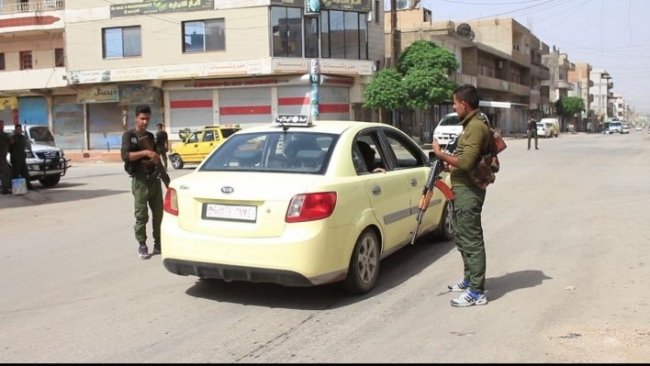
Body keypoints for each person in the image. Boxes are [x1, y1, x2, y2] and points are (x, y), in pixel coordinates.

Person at [431, 84, 491, 307]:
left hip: (469, 192)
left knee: (471, 239)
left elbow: (466, 162)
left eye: (455, 103)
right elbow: (467, 160)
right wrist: (450, 165)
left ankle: (477, 292)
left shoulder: (475, 127)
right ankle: (469, 279)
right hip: (461, 188)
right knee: (461, 235)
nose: (454, 107)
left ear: (464, 104)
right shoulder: (471, 125)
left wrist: (441, 154)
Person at [121, 105, 163, 260]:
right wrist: (145, 152)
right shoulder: (129, 135)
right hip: (140, 180)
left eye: (147, 119)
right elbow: (125, 156)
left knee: (158, 214)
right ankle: (142, 244)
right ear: (136, 118)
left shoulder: (151, 136)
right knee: (141, 215)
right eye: (142, 118)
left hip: (154, 179)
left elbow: (157, 155)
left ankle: (159, 243)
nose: (145, 122)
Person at [9, 124, 34, 190]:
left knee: (25, 174)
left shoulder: (23, 137)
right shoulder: (12, 138)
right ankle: (15, 188)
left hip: (22, 159)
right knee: (15, 174)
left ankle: (28, 186)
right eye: (17, 129)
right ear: (15, 130)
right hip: (15, 159)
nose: (18, 131)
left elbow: (27, 145)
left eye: (19, 129)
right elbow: (9, 148)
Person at [0, 120, 12, 195]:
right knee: (5, 173)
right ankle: (5, 189)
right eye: (1, 125)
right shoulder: (4, 135)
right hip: (1, 157)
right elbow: (11, 141)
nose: (2, 126)